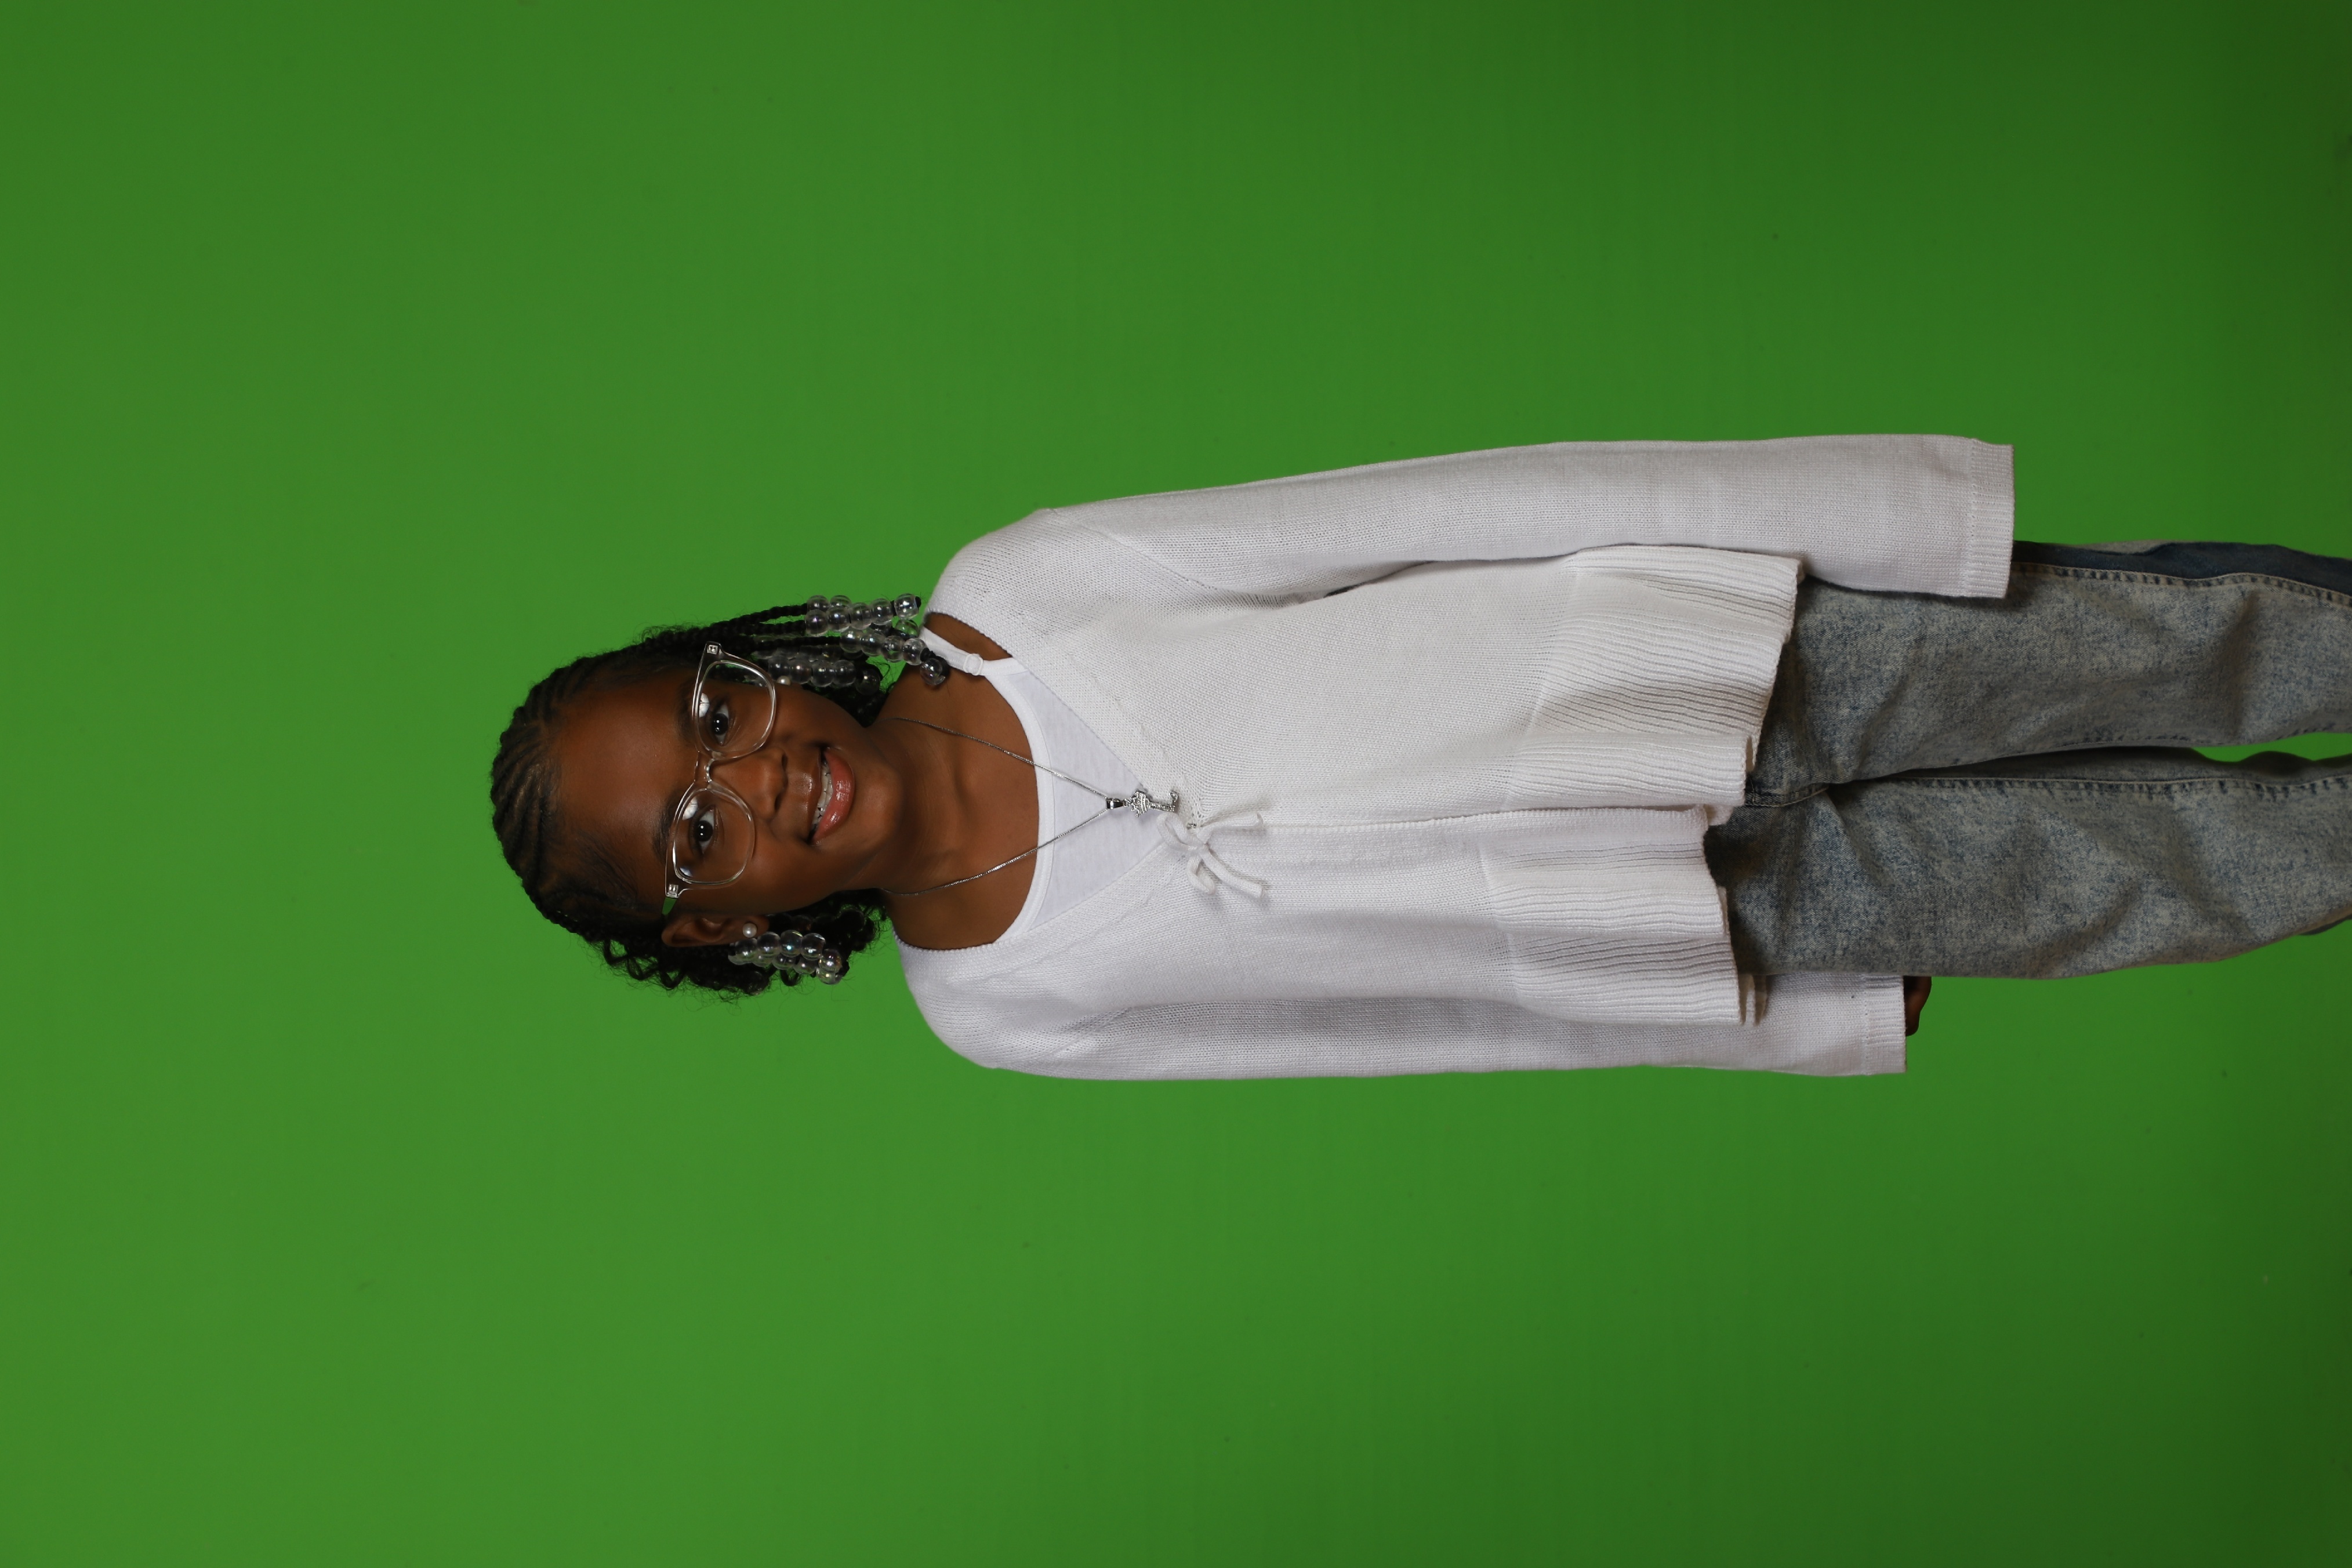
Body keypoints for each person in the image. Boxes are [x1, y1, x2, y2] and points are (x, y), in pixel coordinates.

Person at [489, 437, 2351, 1079]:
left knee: (2189, 636)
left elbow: (1426, 512)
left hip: (1722, 651)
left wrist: (1826, 522)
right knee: (2163, 883)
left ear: (747, 663)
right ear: (714, 929)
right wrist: (1796, 1022)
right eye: (694, 839)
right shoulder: (996, 1008)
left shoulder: (1018, 599)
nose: (754, 777)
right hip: (1691, 920)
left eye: (715, 714)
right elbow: (1385, 1027)